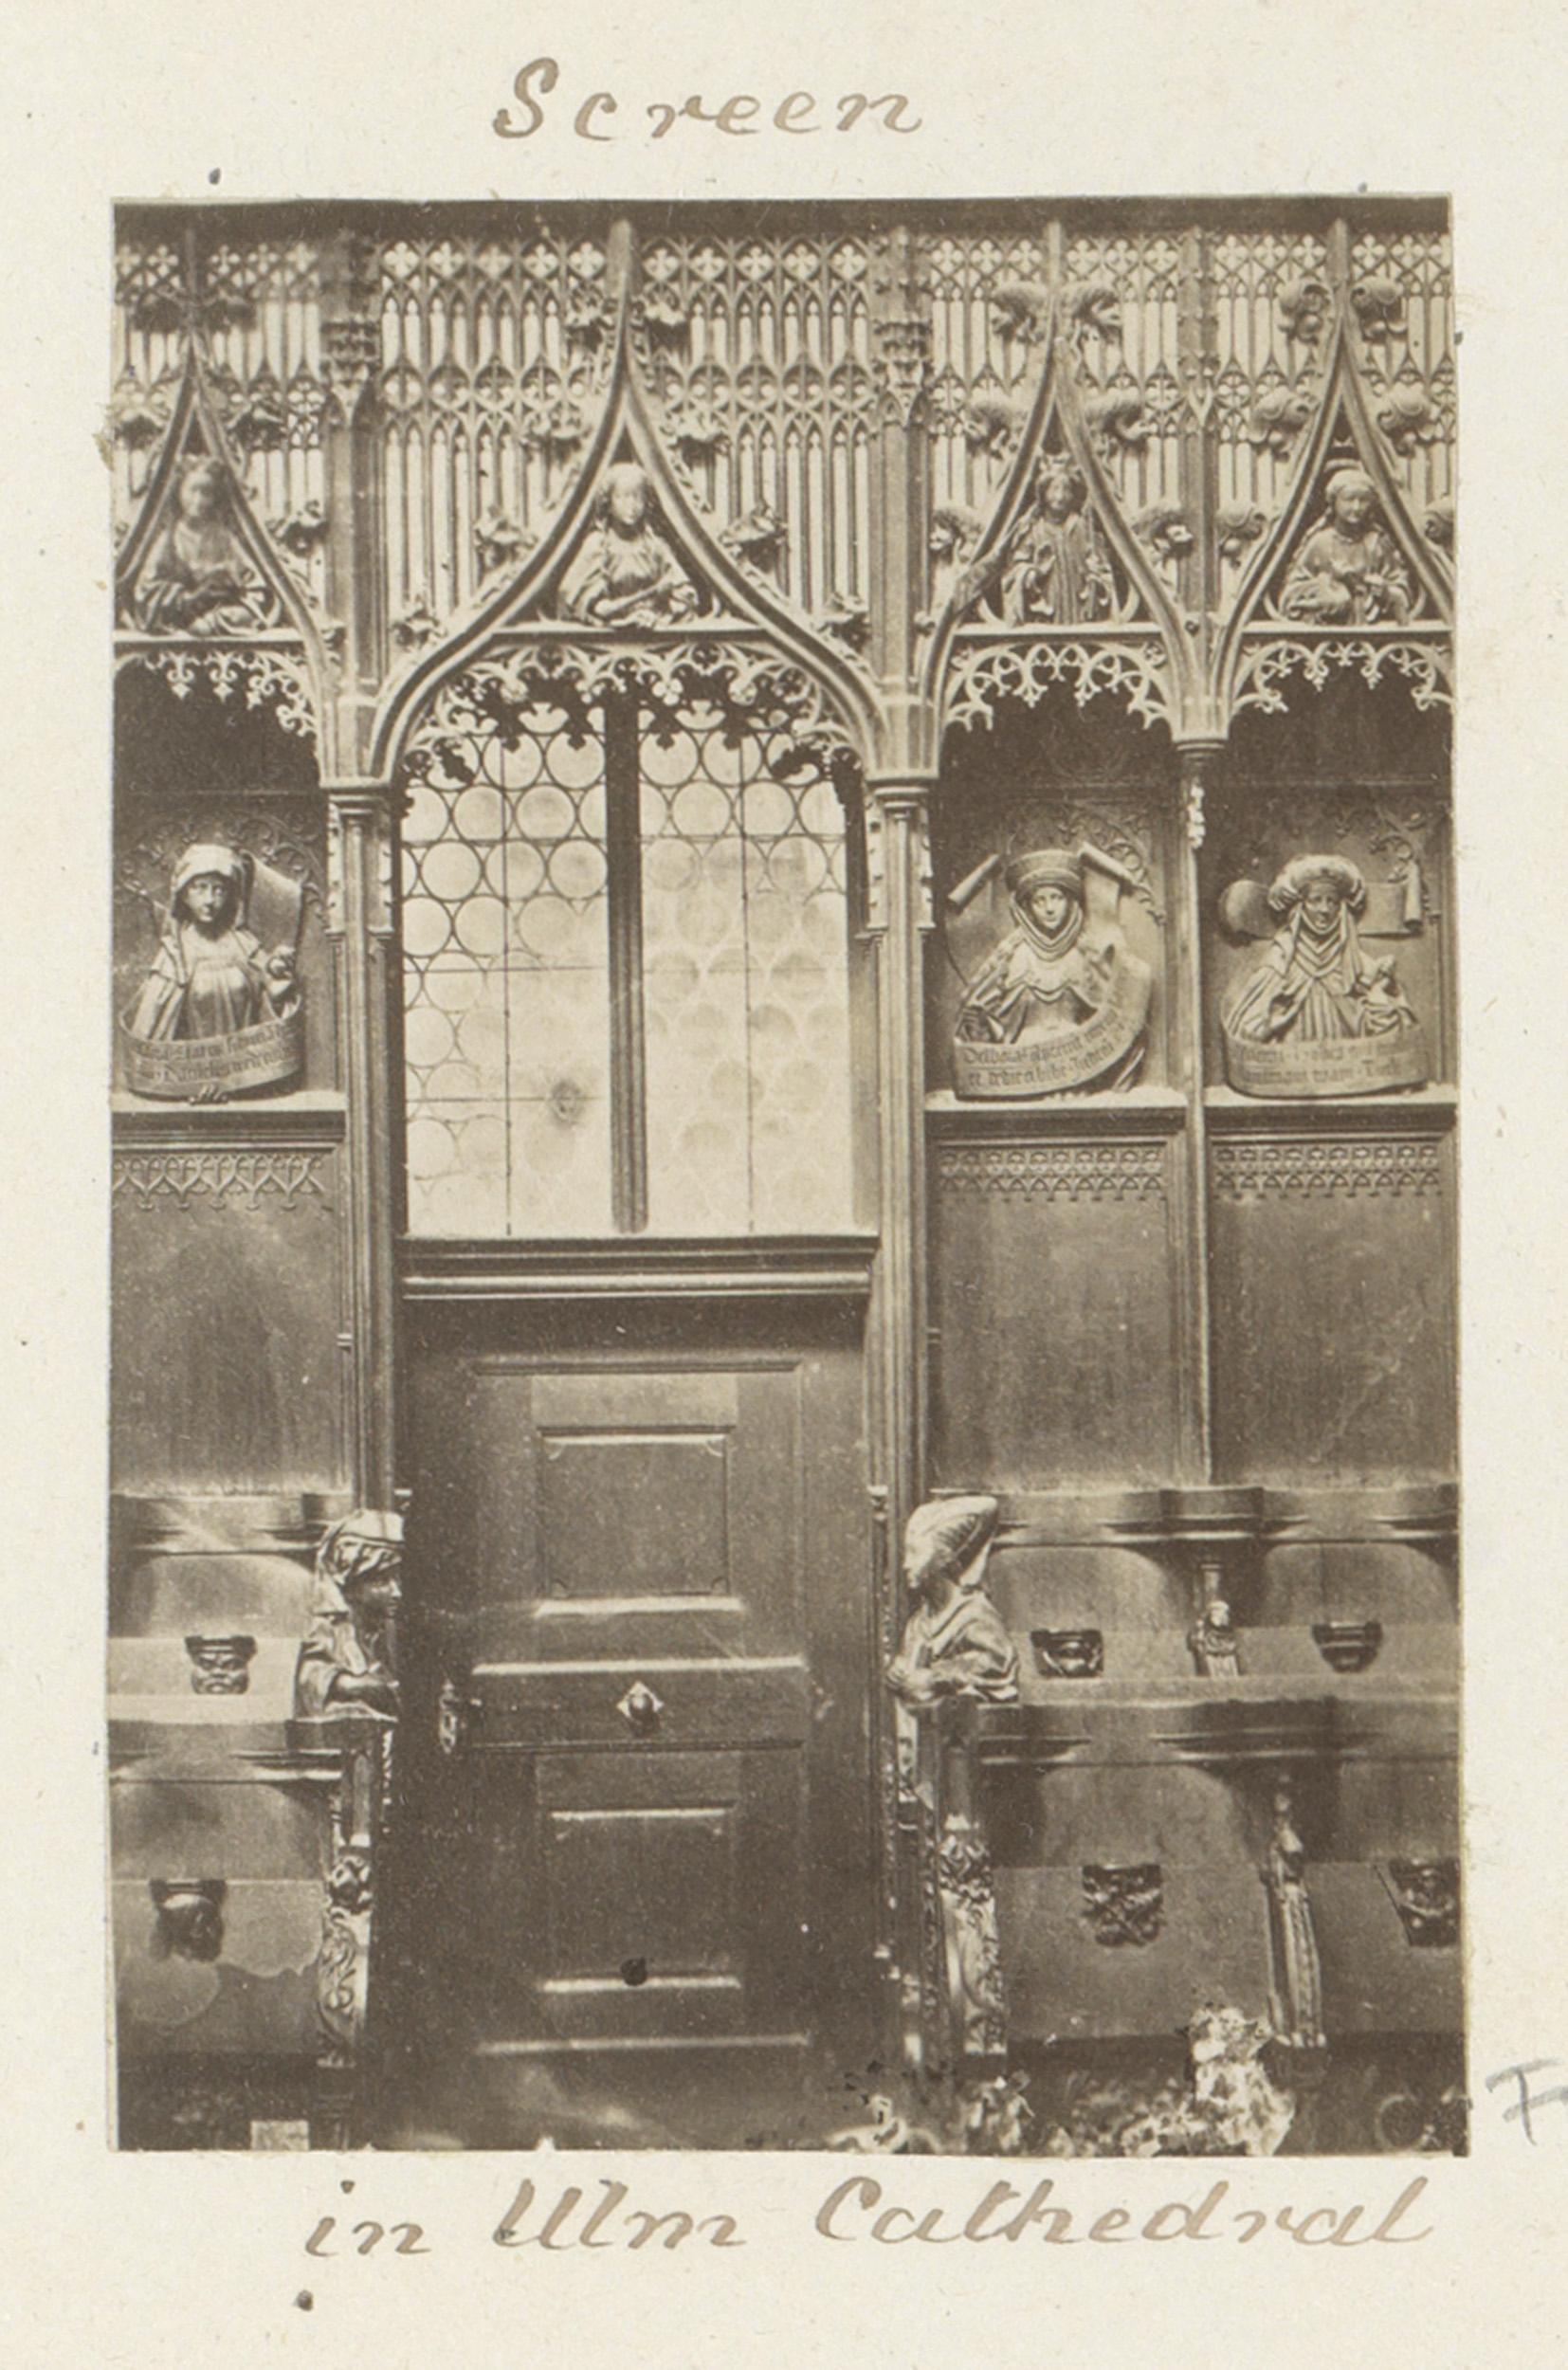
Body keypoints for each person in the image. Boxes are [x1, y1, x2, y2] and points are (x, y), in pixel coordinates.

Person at [1222, 853, 1416, 1046]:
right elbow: (1246, 1028)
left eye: (1332, 901)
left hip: (1347, 1060)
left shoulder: (1356, 963)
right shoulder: (1281, 959)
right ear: (1300, 907)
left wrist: (1381, 989)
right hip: (1292, 1060)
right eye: (1316, 900)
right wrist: (1267, 1024)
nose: (1324, 910)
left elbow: (1388, 1031)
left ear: (1341, 908)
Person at [125, 843, 300, 1047]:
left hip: (246, 1061)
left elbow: (272, 1002)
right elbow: (152, 1028)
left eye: (218, 890)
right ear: (184, 894)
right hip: (195, 1064)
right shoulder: (175, 956)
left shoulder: (244, 945)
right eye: (200, 888)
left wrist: (277, 976)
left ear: (230, 896)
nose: (209, 900)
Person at [957, 849, 1114, 1046]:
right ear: (1027, 908)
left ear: (1070, 903)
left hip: (1080, 1053)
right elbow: (977, 1014)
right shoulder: (1014, 955)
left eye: (1057, 898)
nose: (1049, 909)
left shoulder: (1084, 954)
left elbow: (1110, 1015)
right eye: (1040, 901)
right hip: (1025, 1057)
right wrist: (982, 1027)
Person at [886, 1496, 1019, 1707]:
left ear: (944, 1558)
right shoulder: (919, 1622)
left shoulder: (974, 1613)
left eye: (917, 1554)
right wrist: (899, 1670)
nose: (906, 1565)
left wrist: (938, 1677)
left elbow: (997, 1662)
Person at [131, 458, 268, 635]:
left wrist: (226, 585)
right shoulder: (170, 537)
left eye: (206, 492)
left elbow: (253, 584)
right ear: (179, 492)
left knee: (242, 616)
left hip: (220, 613)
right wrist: (186, 597)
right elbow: (146, 589)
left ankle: (210, 623)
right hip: (183, 611)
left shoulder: (223, 537)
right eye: (192, 490)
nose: (199, 500)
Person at [294, 1509, 403, 1720]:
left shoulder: (382, 1629)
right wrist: (352, 1684)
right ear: (351, 1585)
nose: (396, 1592)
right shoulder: (326, 1626)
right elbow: (309, 1675)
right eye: (381, 1581)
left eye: (397, 1579)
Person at [562, 462, 699, 626]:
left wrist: (657, 614)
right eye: (623, 497)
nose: (632, 505)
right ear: (608, 502)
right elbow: (583, 601)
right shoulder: (598, 544)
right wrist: (623, 617)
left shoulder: (654, 546)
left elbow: (685, 593)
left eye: (638, 497)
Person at [1279, 465, 1411, 625]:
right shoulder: (1320, 543)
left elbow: (1402, 591)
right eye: (1348, 499)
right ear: (1334, 502)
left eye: (1363, 501)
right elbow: (1290, 593)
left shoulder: (1378, 543)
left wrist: (1386, 592)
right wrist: (1325, 587)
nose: (1356, 507)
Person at [998, 455, 1114, 625]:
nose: (1060, 497)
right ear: (1043, 493)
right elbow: (1016, 567)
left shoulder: (1082, 527)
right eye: (1054, 489)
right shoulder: (1034, 529)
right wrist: (1033, 573)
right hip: (1045, 613)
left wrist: (1094, 576)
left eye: (1066, 490)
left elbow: (1100, 566)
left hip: (1079, 612)